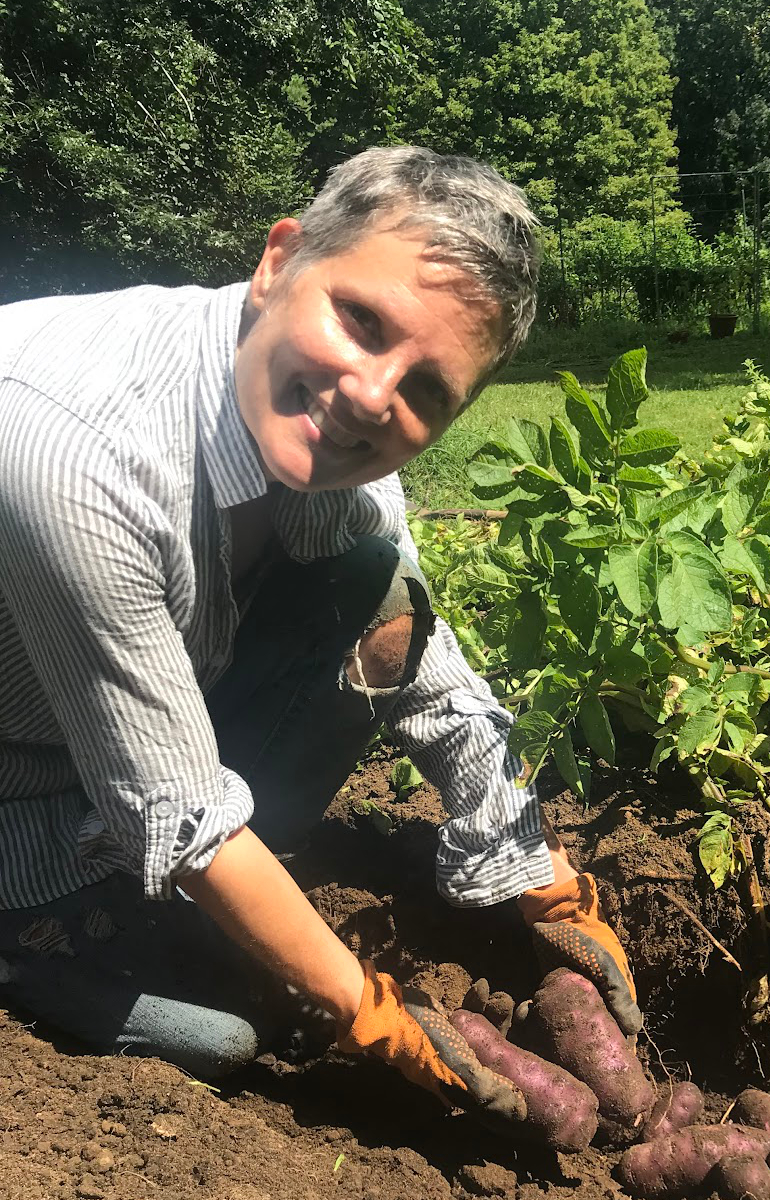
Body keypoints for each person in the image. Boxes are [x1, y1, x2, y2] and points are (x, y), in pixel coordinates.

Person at [0, 146, 639, 1122]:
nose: (374, 395)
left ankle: (161, 908)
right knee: (228, 1039)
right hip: (14, 786)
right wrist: (370, 1012)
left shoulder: (331, 440)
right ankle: (27, 935)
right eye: (361, 320)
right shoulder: (73, 449)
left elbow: (414, 640)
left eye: (428, 390)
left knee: (372, 581)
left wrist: (530, 868)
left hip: (98, 741)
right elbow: (181, 814)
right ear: (278, 262)